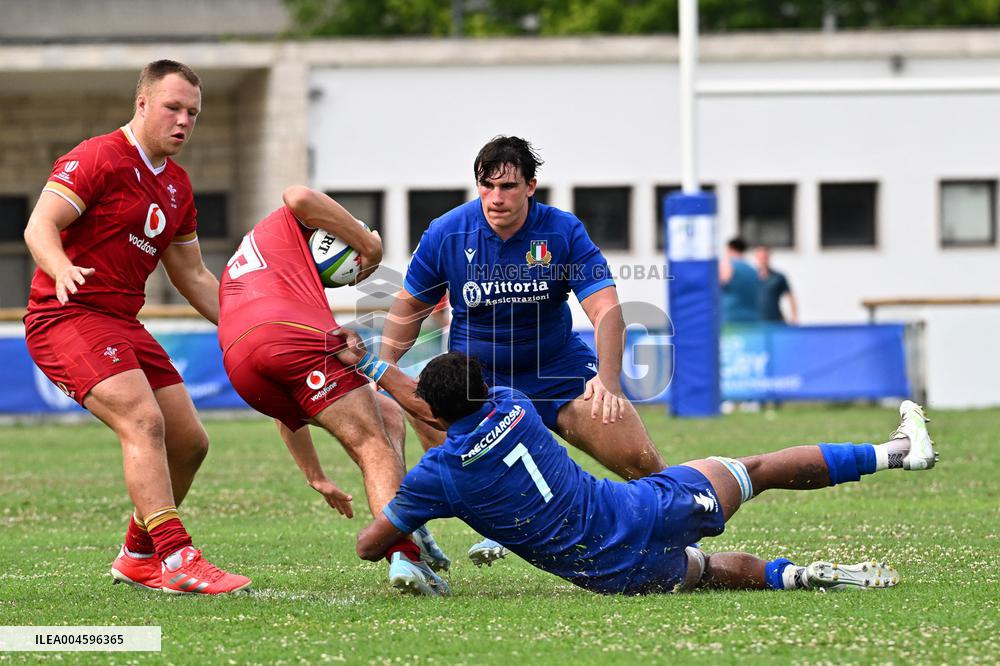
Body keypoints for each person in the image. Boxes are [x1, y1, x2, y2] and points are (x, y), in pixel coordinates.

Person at [342, 345, 938, 596]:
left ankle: (797, 577)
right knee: (754, 470)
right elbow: (437, 401)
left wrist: (399, 519)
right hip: (644, 508)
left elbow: (371, 545)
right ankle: (895, 453)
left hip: (610, 572)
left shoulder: (438, 474)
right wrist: (371, 361)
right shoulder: (512, 404)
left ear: (436, 412)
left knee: (706, 572)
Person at [380, 136, 665, 565]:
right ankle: (478, 524)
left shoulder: (562, 231)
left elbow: (606, 310)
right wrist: (386, 363)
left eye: (508, 186)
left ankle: (684, 525)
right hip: (478, 382)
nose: (496, 198)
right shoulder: (446, 232)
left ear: (530, 186)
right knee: (428, 407)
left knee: (641, 462)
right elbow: (410, 305)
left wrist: (608, 381)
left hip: (557, 369)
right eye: (487, 186)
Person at [23, 60, 249, 595]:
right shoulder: (98, 156)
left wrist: (252, 325)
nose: (183, 121)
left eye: (192, 112)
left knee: (190, 442)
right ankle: (178, 558)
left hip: (122, 323)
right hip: (66, 315)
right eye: (173, 108)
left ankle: (138, 556)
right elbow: (39, 225)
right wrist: (61, 267)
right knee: (144, 421)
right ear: (142, 103)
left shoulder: (177, 186)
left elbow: (193, 276)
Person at [217, 186, 451, 594]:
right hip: (288, 332)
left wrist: (316, 475)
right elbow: (297, 195)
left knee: (387, 414)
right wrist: (370, 247)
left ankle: (407, 522)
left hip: (238, 359)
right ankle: (404, 552)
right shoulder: (288, 225)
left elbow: (286, 408)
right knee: (372, 443)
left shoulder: (261, 260)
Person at [719, 237, 761, 325]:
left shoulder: (727, 267)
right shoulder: (753, 271)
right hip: (752, 319)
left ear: (730, 249)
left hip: (731, 319)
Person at [755, 245, 798, 324]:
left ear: (769, 257)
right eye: (761, 258)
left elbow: (790, 296)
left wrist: (794, 316)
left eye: (765, 257)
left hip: (775, 320)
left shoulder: (778, 277)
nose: (763, 260)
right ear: (757, 258)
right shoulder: (751, 277)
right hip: (757, 321)